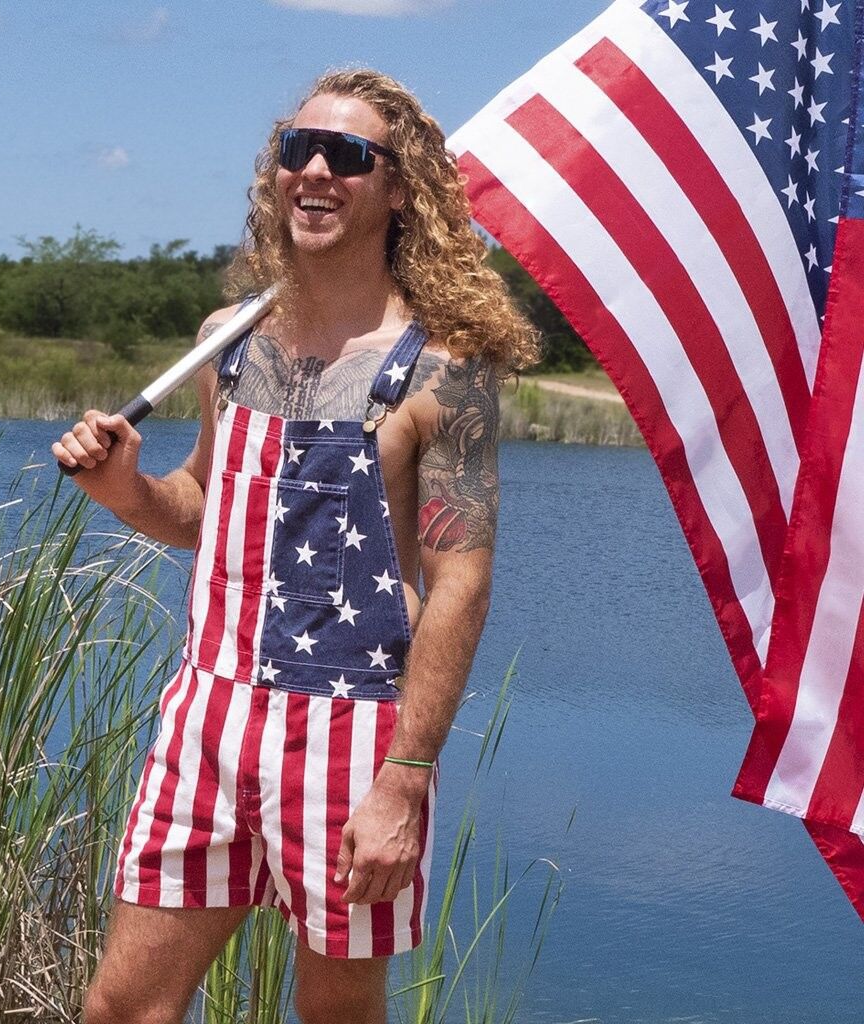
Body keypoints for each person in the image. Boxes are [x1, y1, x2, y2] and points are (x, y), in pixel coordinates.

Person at [53, 68, 538, 1024]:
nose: (314, 170)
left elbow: (459, 586)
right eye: (296, 149)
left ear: (399, 188)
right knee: (120, 1007)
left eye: (348, 155)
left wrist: (406, 780)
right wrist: (125, 492)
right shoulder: (228, 343)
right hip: (206, 719)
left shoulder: (442, 372)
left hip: (352, 736)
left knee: (335, 1018)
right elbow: (203, 508)